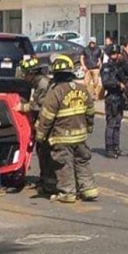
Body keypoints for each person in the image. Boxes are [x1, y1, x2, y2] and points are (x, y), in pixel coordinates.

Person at [33, 55, 98, 203]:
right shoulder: (82, 88)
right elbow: (90, 111)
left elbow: (46, 117)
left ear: (56, 74)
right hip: (80, 136)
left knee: (64, 164)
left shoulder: (56, 92)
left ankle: (68, 193)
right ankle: (89, 190)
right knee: (82, 162)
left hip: (62, 137)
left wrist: (40, 136)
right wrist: (89, 127)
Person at [17, 57, 52, 191]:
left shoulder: (42, 84)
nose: (24, 77)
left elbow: (40, 105)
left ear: (31, 73)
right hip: (42, 122)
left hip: (47, 123)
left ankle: (48, 183)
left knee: (45, 152)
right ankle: (44, 180)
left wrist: (23, 107)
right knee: (42, 151)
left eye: (26, 74)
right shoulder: (37, 83)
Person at [101, 45, 128, 159]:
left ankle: (116, 147)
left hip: (119, 98)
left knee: (118, 124)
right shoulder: (106, 67)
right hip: (111, 98)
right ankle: (109, 148)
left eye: (117, 53)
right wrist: (118, 84)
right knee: (111, 124)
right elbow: (106, 82)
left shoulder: (119, 66)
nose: (116, 56)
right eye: (113, 54)